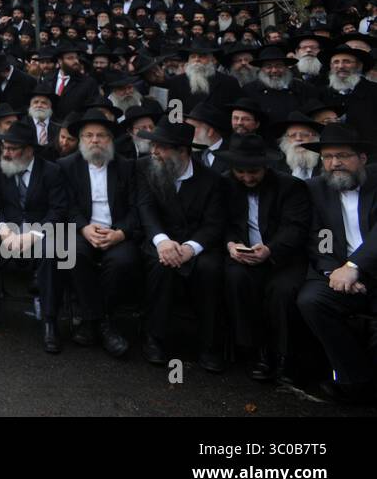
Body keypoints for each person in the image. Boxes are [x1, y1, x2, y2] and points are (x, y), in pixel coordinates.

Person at [0, 122, 71, 353]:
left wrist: (33, 234)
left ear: (29, 150)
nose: (6, 153)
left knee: (53, 252)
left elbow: (58, 210)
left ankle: (50, 321)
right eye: (4, 147)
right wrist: (3, 230)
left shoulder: (51, 171)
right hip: (9, 230)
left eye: (13, 148)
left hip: (43, 231)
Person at [214, 134, 310, 383]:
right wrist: (232, 245)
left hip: (283, 257)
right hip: (244, 254)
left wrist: (270, 250)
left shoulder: (291, 187)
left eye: (253, 172)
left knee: (281, 291)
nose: (247, 178)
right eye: (241, 172)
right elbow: (222, 222)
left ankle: (284, 356)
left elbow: (295, 228)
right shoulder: (225, 184)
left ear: (265, 166)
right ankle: (255, 350)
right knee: (235, 278)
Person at [135, 120, 228, 373]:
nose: (154, 152)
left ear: (183, 151)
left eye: (162, 147)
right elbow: (146, 208)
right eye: (153, 145)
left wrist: (190, 248)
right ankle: (154, 337)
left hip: (197, 245)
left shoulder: (212, 180)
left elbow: (214, 223)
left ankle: (210, 344)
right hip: (158, 241)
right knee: (160, 266)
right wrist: (162, 241)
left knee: (210, 270)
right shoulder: (145, 168)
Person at [296, 124, 377, 403]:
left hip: (370, 269)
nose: (335, 163)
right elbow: (318, 239)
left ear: (362, 159)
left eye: (343, 155)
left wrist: (355, 268)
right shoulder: (315, 188)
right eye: (328, 157)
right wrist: (334, 272)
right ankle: (356, 378)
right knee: (312, 300)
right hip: (339, 272)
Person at [58, 108, 140, 358]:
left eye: (101, 135)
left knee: (122, 261)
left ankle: (93, 322)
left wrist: (121, 233)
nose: (95, 140)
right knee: (72, 253)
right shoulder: (66, 166)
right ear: (80, 140)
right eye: (88, 135)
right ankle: (102, 322)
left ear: (110, 140)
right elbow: (66, 205)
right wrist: (84, 227)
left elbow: (138, 208)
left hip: (117, 233)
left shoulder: (128, 168)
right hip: (84, 230)